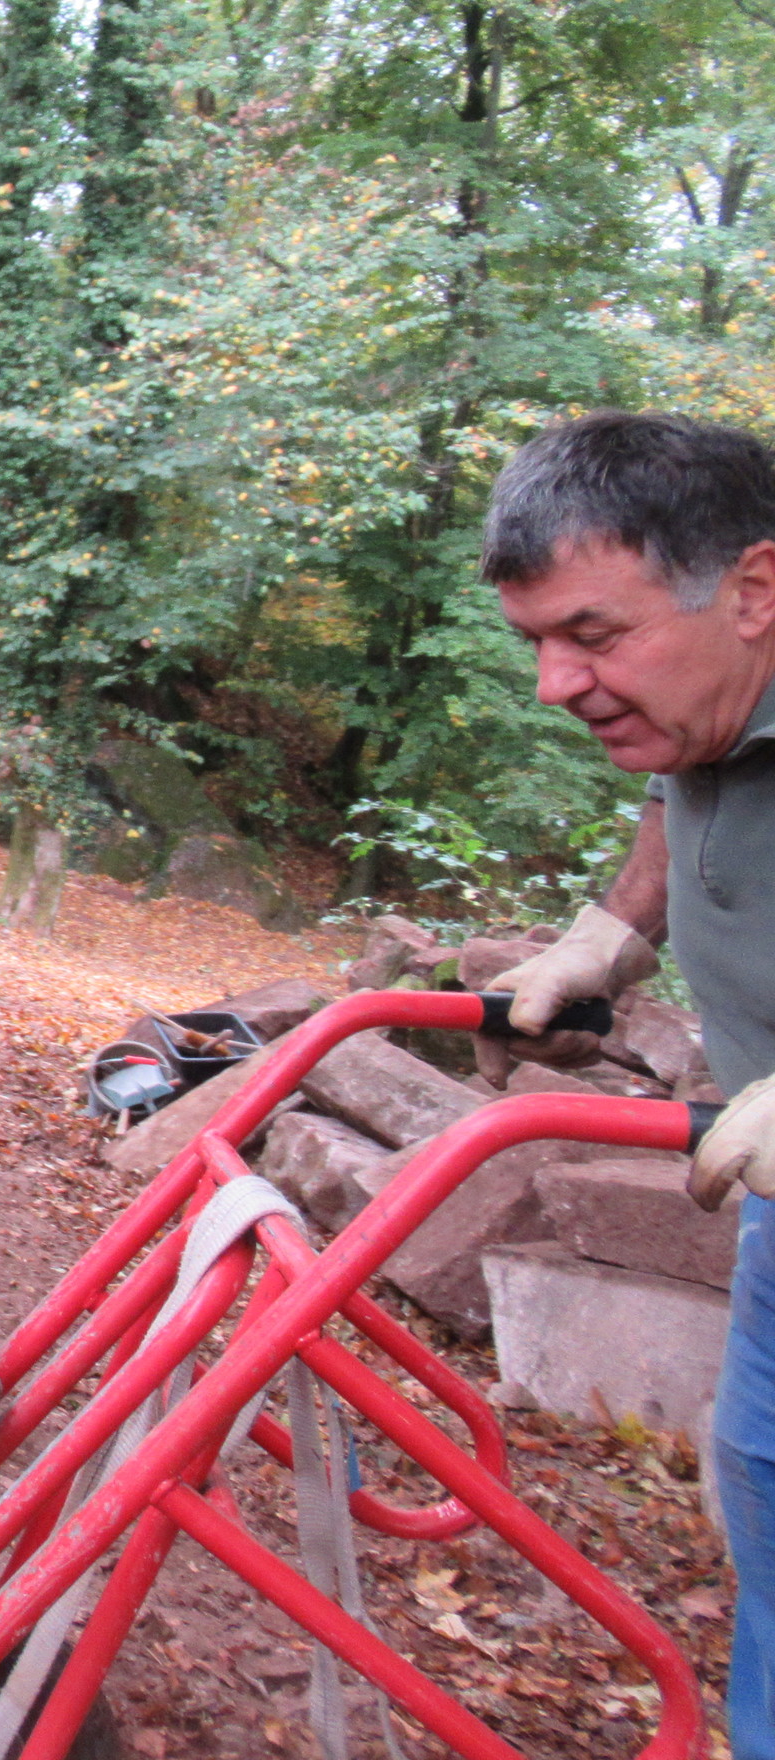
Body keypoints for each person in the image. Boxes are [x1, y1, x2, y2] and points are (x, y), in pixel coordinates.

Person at [478, 410, 775, 1758]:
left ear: (754, 589)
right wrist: (614, 931)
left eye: (593, 635)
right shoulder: (712, 696)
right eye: (536, 642)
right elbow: (685, 774)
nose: (556, 684)